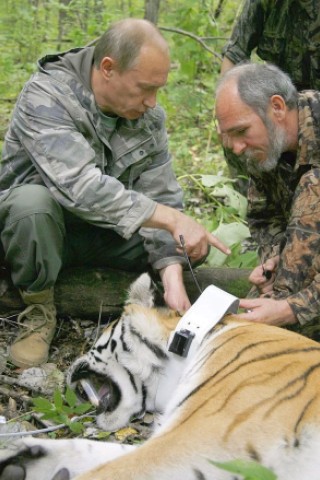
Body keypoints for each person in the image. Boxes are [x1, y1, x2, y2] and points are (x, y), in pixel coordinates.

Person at [0, 18, 230, 369]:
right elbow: (80, 188)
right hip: (36, 232)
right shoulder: (46, 95)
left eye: (159, 90)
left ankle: (157, 301)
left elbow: (162, 194)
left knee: (187, 244)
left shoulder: (147, 118)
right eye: (144, 88)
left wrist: (172, 275)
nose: (152, 102)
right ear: (108, 68)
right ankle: (38, 309)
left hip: (99, 233)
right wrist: (170, 218)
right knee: (33, 206)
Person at [215, 62, 320, 340]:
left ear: (277, 108)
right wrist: (273, 259)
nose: (236, 147)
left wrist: (290, 309)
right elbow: (264, 216)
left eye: (241, 131)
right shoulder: (264, 148)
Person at [220, 0, 320, 193]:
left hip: (314, 111)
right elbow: (234, 54)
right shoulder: (263, 3)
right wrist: (225, 118)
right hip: (280, 104)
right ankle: (254, 205)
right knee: (238, 134)